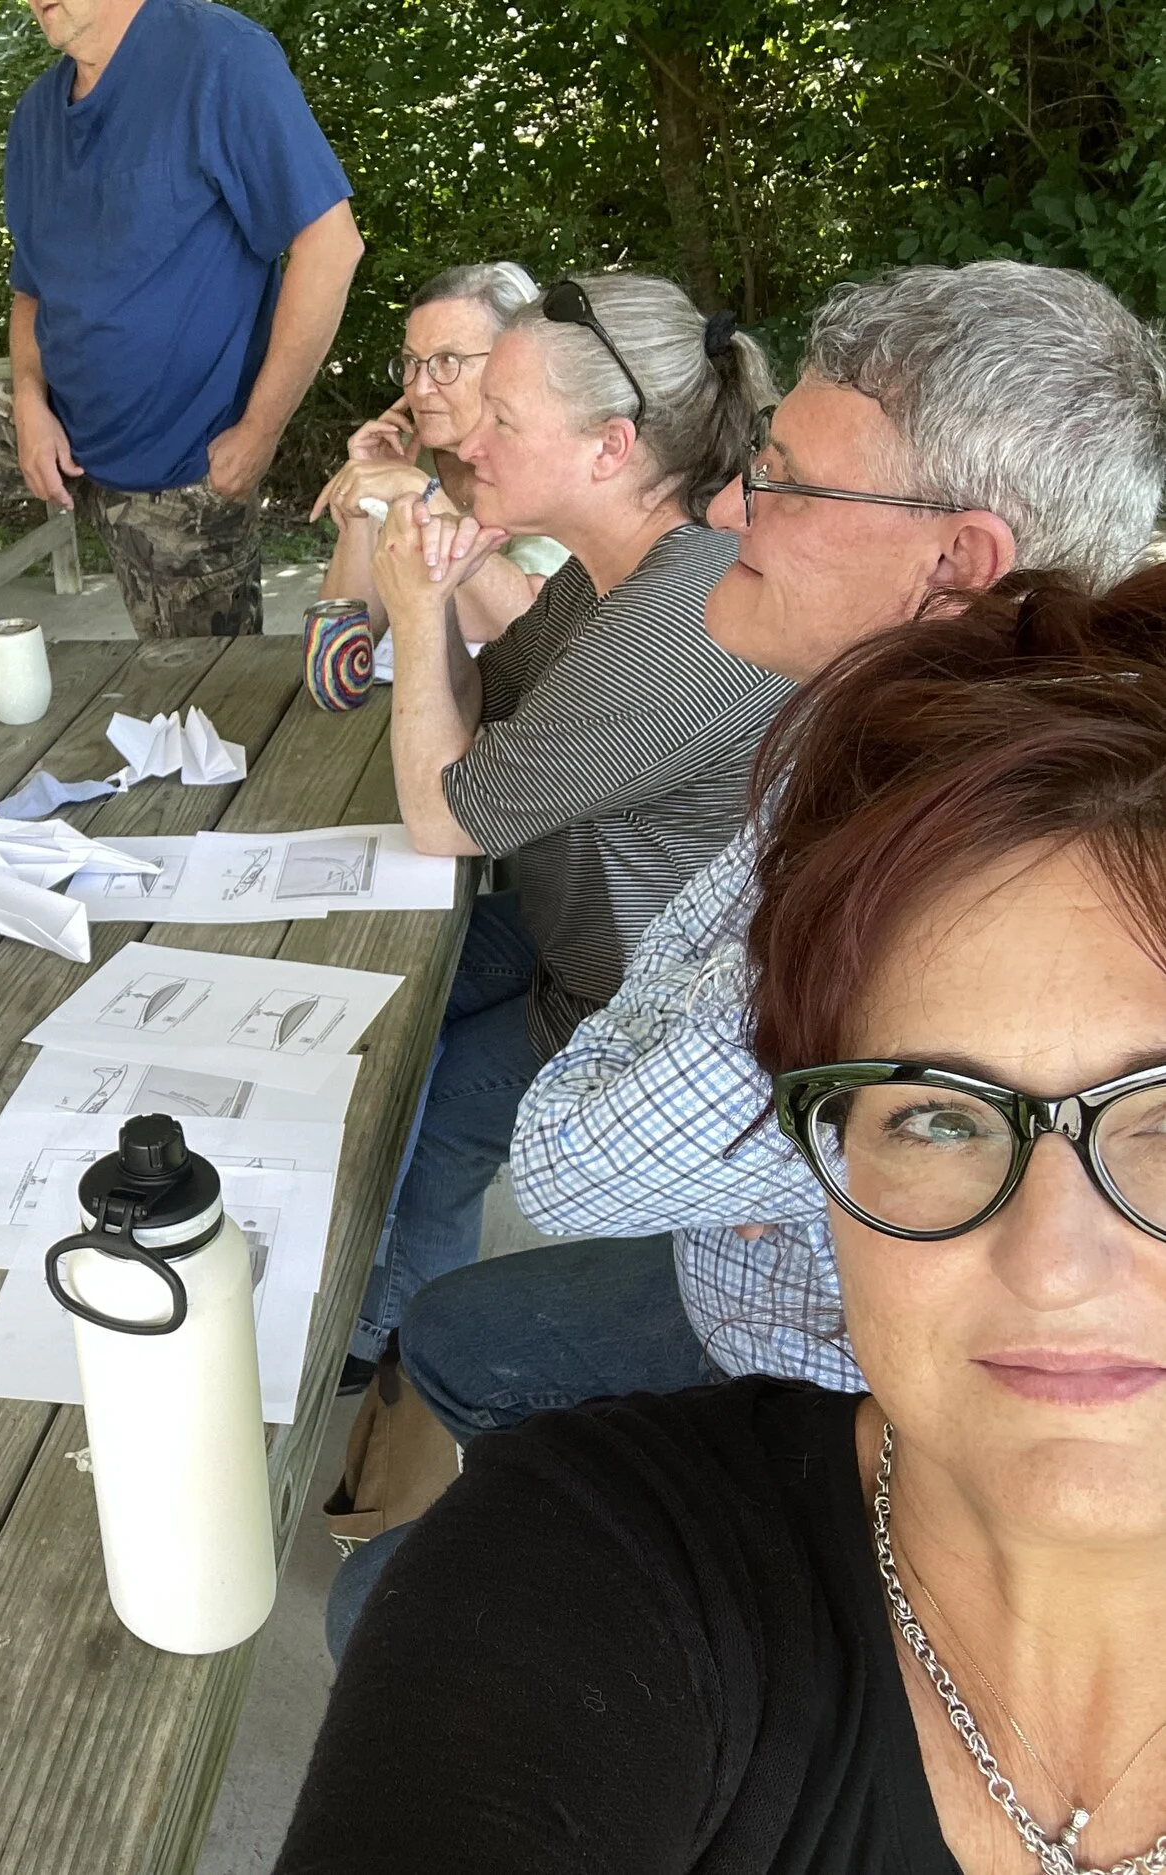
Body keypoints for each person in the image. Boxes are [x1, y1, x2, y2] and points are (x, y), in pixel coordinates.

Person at [321, 260, 1166, 1662]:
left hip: (849, 1387)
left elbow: (579, 1147)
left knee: (380, 1608)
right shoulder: (861, 720)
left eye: (781, 479)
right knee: (466, 1330)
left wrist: (664, 1031)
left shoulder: (961, 862)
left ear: (953, 562)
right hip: (750, 1263)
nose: (728, 508)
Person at [277, 568, 1166, 1874]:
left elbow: (568, 1125)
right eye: (930, 1114)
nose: (1049, 1260)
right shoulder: (589, 1568)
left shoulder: (701, 664)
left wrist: (415, 598)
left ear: (954, 550)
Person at [350, 272, 791, 1375]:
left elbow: (448, 813)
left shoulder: (673, 625)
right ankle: (375, 1292)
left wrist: (414, 608)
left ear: (609, 448)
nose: (472, 445)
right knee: (383, 992)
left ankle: (390, 1343)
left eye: (502, 419)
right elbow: (485, 709)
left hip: (638, 993)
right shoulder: (619, 571)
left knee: (438, 1099)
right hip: (576, 932)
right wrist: (442, 601)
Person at [0, 0, 364, 680]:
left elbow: (330, 246)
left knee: (203, 720)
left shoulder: (219, 57)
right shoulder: (35, 116)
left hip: (181, 466)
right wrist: (29, 401)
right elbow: (31, 292)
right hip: (62, 425)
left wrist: (260, 430)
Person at [310, 261, 566, 656]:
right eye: (411, 363)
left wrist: (422, 494)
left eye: (448, 361)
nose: (421, 387)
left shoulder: (552, 458)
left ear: (513, 362)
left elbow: (533, 626)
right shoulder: (409, 456)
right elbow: (345, 641)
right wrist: (368, 506)